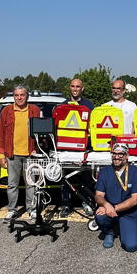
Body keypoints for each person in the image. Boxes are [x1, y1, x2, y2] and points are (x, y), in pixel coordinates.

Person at [0, 84, 42, 223]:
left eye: (22, 95)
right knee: (12, 185)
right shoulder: (6, 111)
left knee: (31, 184)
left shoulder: (35, 110)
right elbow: (0, 135)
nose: (19, 98)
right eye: (17, 95)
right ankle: (12, 210)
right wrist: (1, 155)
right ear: (13, 96)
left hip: (31, 155)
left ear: (27, 96)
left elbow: (43, 133)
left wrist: (38, 148)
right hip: (12, 154)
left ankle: (32, 210)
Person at [93, 143, 137, 252]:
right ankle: (109, 232)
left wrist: (113, 209)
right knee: (99, 216)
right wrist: (106, 205)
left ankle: (122, 226)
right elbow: (98, 196)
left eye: (121, 154)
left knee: (131, 247)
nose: (117, 157)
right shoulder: (104, 172)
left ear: (127, 156)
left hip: (129, 213)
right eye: (114, 153)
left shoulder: (136, 173)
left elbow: (134, 200)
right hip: (109, 210)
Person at [59, 78, 95, 218]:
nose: (75, 89)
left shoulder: (89, 105)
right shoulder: (62, 105)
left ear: (82, 88)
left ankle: (86, 203)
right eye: (73, 86)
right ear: (69, 88)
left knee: (86, 178)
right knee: (65, 179)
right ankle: (65, 205)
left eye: (78, 86)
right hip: (66, 149)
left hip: (83, 149)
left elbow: (92, 127)